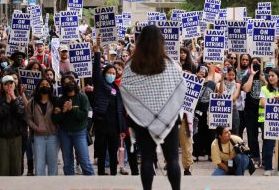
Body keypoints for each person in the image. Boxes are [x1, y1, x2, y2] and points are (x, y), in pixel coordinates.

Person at [120, 25, 186, 190]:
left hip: (141, 118)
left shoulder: (130, 65)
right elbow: (181, 86)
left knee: (147, 159)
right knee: (172, 159)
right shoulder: (169, 64)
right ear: (160, 42)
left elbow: (124, 89)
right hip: (169, 116)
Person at [92, 36, 127, 176]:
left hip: (114, 126)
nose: (112, 75)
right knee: (102, 151)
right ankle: (101, 173)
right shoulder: (100, 85)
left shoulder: (116, 89)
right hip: (101, 123)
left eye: (114, 73)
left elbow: (120, 110)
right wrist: (97, 52)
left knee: (113, 152)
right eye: (109, 73)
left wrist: (122, 128)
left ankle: (113, 174)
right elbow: (95, 70)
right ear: (104, 74)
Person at [52, 74, 94, 175]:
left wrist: (71, 109)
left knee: (84, 161)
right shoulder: (60, 99)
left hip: (79, 133)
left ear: (75, 83)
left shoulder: (82, 97)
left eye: (70, 82)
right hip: (64, 133)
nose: (68, 85)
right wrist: (64, 111)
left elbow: (84, 115)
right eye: (65, 83)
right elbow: (55, 119)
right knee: (67, 162)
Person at [0, 75, 25, 176]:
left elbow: (21, 114)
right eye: (6, 84)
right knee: (3, 167)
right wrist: (7, 102)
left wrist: (14, 100)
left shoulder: (19, 98)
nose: (9, 86)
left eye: (11, 83)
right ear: (2, 86)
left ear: (14, 84)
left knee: (16, 167)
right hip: (1, 137)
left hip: (16, 136)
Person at [25, 78, 59, 176]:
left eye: (47, 84)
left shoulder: (55, 101)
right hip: (38, 137)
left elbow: (60, 117)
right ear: (38, 87)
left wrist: (60, 112)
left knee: (53, 164)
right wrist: (35, 127)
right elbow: (28, 118)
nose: (45, 86)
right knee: (39, 164)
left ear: (51, 87)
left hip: (53, 136)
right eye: (42, 84)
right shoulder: (32, 102)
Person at [260, 68, 279, 176]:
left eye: (273, 76)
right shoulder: (264, 88)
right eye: (269, 76)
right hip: (267, 120)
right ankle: (268, 167)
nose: (270, 78)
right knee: (268, 145)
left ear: (278, 77)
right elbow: (263, 103)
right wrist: (275, 100)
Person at [241, 57, 265, 167]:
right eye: (253, 63)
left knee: (266, 135)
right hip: (250, 110)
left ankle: (265, 158)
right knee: (252, 135)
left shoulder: (266, 75)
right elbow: (246, 89)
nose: (255, 65)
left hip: (262, 110)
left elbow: (270, 88)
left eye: (257, 63)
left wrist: (263, 79)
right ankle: (255, 157)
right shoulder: (246, 76)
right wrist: (251, 75)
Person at [193, 64, 217, 160]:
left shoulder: (212, 83)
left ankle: (210, 153)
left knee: (210, 133)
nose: (203, 71)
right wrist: (196, 80)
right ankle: (196, 153)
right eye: (201, 69)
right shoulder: (194, 81)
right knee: (197, 132)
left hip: (208, 111)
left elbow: (217, 94)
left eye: (205, 69)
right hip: (196, 111)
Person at [217, 67, 241, 135]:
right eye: (229, 74)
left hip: (233, 109)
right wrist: (222, 79)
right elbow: (221, 91)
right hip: (222, 109)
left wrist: (223, 95)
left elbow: (234, 98)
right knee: (222, 132)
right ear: (226, 75)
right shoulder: (219, 84)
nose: (231, 77)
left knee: (235, 131)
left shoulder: (237, 85)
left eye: (233, 75)